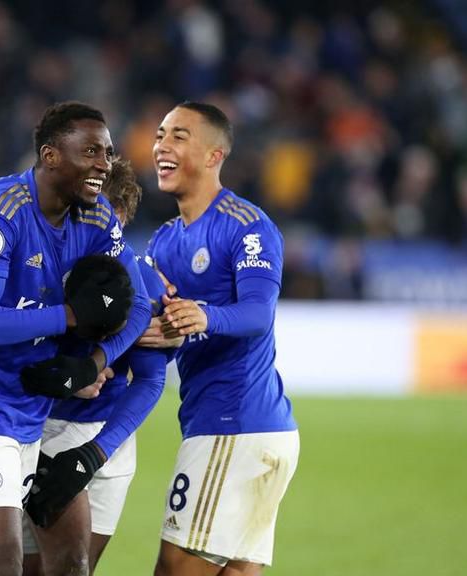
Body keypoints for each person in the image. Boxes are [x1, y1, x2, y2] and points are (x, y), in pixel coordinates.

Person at [0, 101, 153, 576]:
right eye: (91, 151)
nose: (103, 165)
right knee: (2, 562)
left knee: (59, 560)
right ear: (50, 156)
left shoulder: (96, 220)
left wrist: (95, 361)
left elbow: (140, 306)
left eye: (108, 153)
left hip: (35, 416)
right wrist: (69, 316)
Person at [145, 102, 299, 576]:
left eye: (179, 136)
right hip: (244, 429)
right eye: (160, 134)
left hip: (234, 426)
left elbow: (257, 313)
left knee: (174, 568)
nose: (162, 146)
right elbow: (162, 331)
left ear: (215, 156)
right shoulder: (163, 241)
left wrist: (202, 315)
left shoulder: (246, 225)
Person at [22, 158, 175, 576]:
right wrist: (67, 376)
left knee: (79, 567)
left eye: (105, 216)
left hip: (110, 440)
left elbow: (150, 378)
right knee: (47, 567)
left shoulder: (141, 281)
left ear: (120, 217)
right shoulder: (40, 265)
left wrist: (96, 452)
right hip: (42, 429)